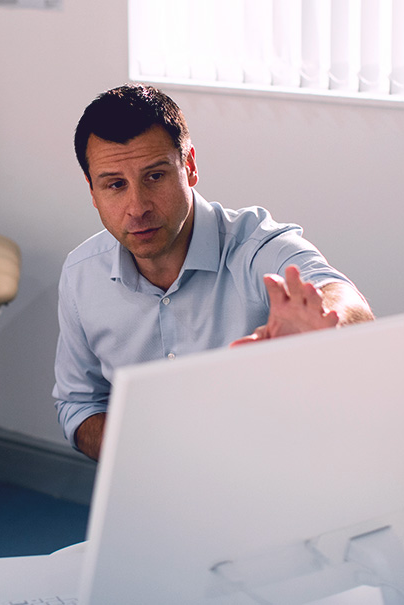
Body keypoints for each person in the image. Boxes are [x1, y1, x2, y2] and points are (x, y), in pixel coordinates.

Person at [54, 84, 374, 461]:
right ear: (92, 192)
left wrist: (327, 321)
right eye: (115, 185)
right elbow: (79, 404)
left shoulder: (255, 246)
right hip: (153, 488)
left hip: (272, 473)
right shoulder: (81, 274)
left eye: (155, 176)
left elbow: (339, 294)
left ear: (189, 167)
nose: (136, 207)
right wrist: (152, 456)